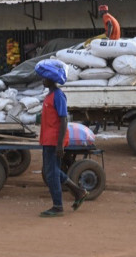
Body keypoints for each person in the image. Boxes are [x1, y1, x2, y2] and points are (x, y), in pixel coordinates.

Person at [38, 76, 89, 217]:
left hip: (54, 140)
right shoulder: (50, 95)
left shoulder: (58, 95)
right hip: (47, 139)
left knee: (52, 174)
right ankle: (78, 191)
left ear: (52, 79)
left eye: (45, 78)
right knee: (51, 171)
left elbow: (64, 119)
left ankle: (58, 206)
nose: (43, 80)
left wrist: (60, 144)